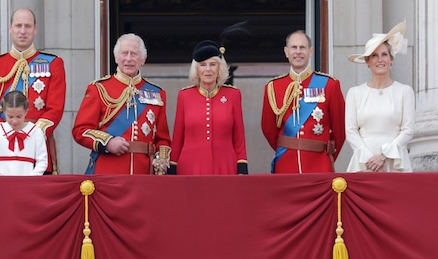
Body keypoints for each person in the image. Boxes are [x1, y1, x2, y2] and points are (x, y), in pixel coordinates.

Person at [0, 8, 66, 174]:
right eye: (18, 26)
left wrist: (32, 134)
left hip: (38, 145)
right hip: (3, 148)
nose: (23, 31)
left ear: (35, 29)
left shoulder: (53, 63)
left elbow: (55, 108)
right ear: (10, 28)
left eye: (28, 26)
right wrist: (4, 135)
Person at [72, 33, 171, 175]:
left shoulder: (157, 93)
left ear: (143, 59)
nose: (129, 59)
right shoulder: (99, 89)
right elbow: (80, 130)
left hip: (143, 173)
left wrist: (161, 160)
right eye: (124, 53)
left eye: (134, 54)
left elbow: (163, 139)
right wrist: (107, 142)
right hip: (108, 171)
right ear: (116, 58)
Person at [261, 30, 345, 173]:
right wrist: (288, 146)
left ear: (310, 51)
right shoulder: (273, 87)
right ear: (286, 52)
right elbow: (268, 128)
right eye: (294, 47)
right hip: (286, 164)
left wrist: (326, 155)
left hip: (319, 164)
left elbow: (340, 130)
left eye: (302, 48)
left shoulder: (330, 85)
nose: (298, 52)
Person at [345, 22, 415, 172]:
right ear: (368, 62)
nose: (380, 60)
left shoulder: (404, 91)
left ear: (391, 60)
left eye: (384, 54)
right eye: (374, 56)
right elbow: (351, 131)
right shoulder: (355, 93)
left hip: (395, 161)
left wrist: (384, 156)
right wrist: (370, 158)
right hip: (364, 162)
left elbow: (408, 130)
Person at [170, 40, 248, 175]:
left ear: (219, 69)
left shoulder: (233, 95)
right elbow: (177, 138)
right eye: (202, 65)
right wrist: (172, 166)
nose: (208, 69)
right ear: (196, 69)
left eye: (213, 65)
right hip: (190, 167)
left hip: (225, 166)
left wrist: (242, 166)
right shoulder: (184, 96)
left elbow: (239, 137)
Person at [0, 91, 48, 176]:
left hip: (27, 183)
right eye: (10, 117)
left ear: (26, 111)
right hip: (1, 183)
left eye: (19, 116)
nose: (14, 121)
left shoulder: (36, 131)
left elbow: (42, 161)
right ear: (4, 112)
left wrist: (31, 178)